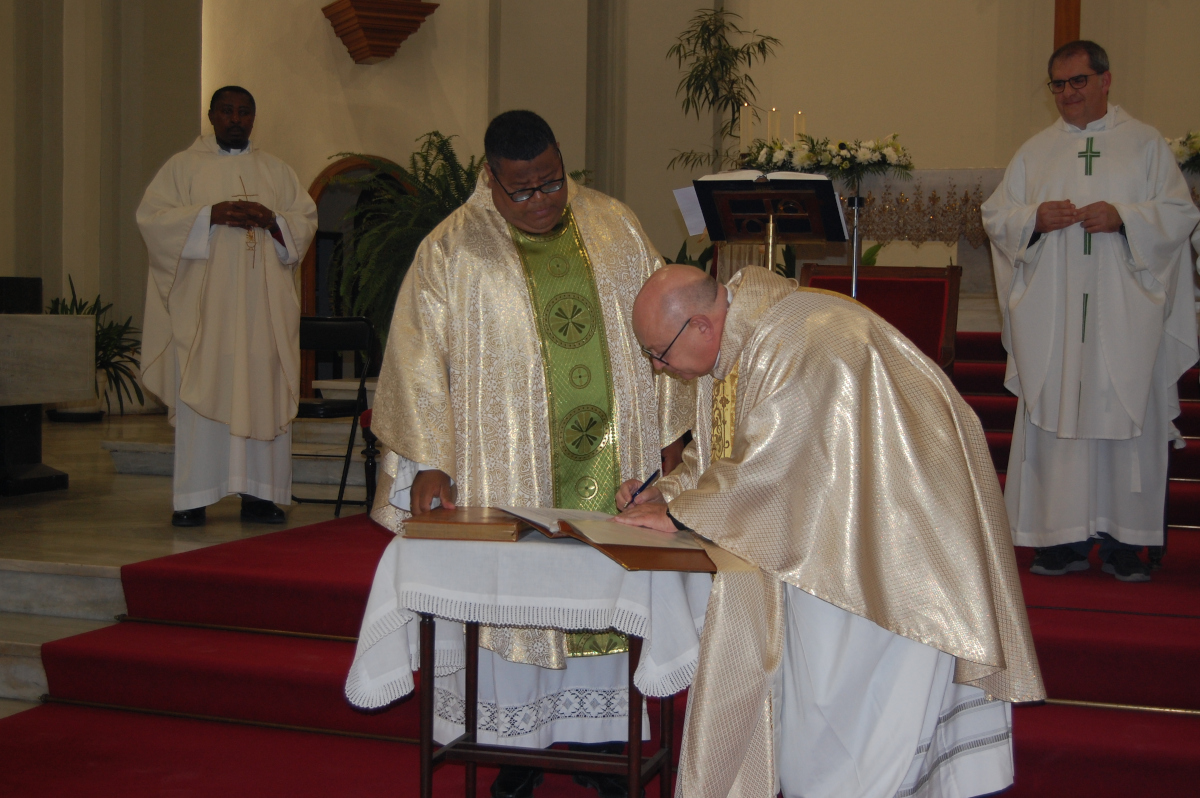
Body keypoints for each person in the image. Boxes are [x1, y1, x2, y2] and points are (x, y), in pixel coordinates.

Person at [353, 110, 692, 798]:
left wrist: (671, 427)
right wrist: (431, 464)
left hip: (615, 464)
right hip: (506, 471)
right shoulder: (452, 250)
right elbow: (419, 363)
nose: (543, 202)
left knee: (608, 593)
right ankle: (518, 749)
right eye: (523, 191)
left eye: (552, 183)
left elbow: (668, 321)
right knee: (520, 605)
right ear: (490, 180)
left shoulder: (614, 225)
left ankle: (606, 745)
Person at [616, 264, 1044, 798]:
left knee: (850, 725)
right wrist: (671, 495)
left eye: (660, 353)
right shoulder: (740, 344)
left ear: (701, 325)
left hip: (892, 555)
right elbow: (726, 455)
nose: (659, 367)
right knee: (818, 717)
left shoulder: (801, 340)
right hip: (844, 538)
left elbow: (776, 459)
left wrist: (680, 516)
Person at [982, 41, 1200, 582]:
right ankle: (1061, 540)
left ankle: (1128, 542)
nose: (1067, 94)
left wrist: (1124, 217)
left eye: (1077, 81)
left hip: (1124, 318)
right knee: (1058, 418)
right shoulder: (1036, 151)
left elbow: (1178, 213)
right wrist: (1035, 217)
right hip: (1056, 319)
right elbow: (997, 216)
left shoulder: (1145, 145)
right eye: (1058, 84)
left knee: (1128, 411)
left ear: (1106, 80)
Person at [137, 86, 317, 527]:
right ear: (212, 116)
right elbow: (152, 220)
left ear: (253, 118)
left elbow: (305, 220)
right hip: (206, 315)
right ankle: (194, 497)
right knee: (203, 390)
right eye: (227, 111)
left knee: (262, 395)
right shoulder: (182, 168)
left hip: (262, 315)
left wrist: (273, 220)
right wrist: (207, 216)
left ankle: (260, 496)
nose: (236, 119)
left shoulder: (277, 171)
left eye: (244, 112)